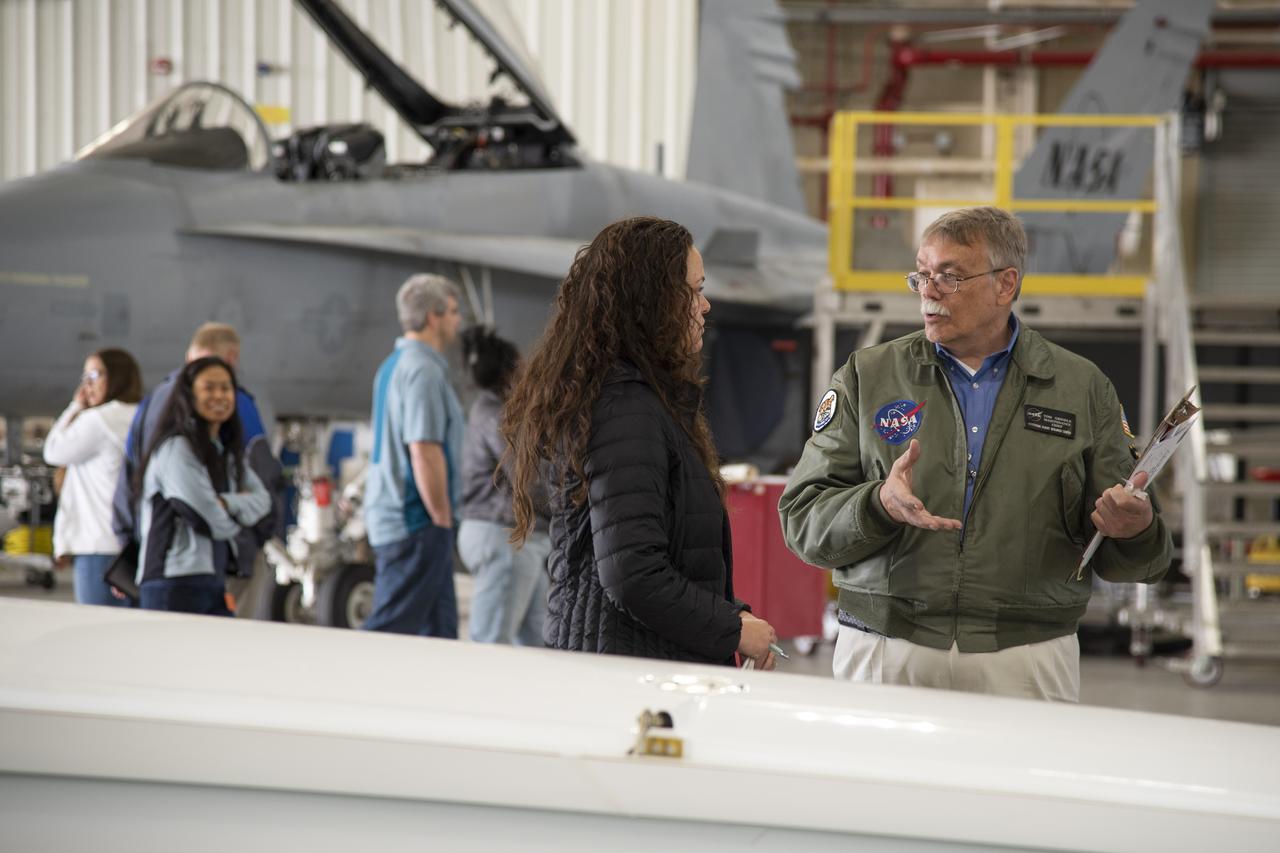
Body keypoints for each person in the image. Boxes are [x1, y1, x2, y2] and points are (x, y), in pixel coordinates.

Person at [778, 206, 1172, 701]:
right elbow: (801, 519)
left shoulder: (1081, 388)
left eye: (950, 276)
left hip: (1026, 658)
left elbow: (1136, 560)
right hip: (886, 650)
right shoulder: (867, 376)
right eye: (922, 274)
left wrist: (1135, 530)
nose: (929, 290)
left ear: (1006, 285)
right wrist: (878, 504)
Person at [502, 216, 777, 668]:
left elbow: (657, 558)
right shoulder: (625, 409)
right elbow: (633, 573)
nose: (704, 306)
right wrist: (731, 628)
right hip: (623, 675)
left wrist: (730, 620)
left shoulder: (637, 401)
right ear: (654, 301)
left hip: (629, 661)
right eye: (694, 290)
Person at [111, 322, 282, 612]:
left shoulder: (153, 404)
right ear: (232, 357)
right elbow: (212, 518)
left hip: (207, 573)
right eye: (210, 388)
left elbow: (127, 481)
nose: (220, 396)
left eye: (225, 388)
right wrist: (242, 525)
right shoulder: (177, 447)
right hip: (173, 578)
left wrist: (128, 542)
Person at [363, 273, 465, 638]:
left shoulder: (392, 365)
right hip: (416, 521)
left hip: (402, 516)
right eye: (453, 311)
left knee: (438, 633)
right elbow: (423, 449)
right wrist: (441, 519)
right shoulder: (422, 370)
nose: (458, 321)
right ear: (433, 317)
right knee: (390, 630)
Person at [458, 327, 549, 646]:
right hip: (504, 536)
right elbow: (527, 478)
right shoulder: (498, 415)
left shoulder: (488, 409)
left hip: (512, 537)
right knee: (491, 645)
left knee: (538, 640)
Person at [43, 349, 143, 606]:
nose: (87, 384)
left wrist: (75, 406)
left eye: (95, 375)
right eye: (85, 375)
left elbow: (53, 451)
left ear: (118, 377)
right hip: (133, 545)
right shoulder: (142, 414)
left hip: (98, 546)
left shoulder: (98, 419)